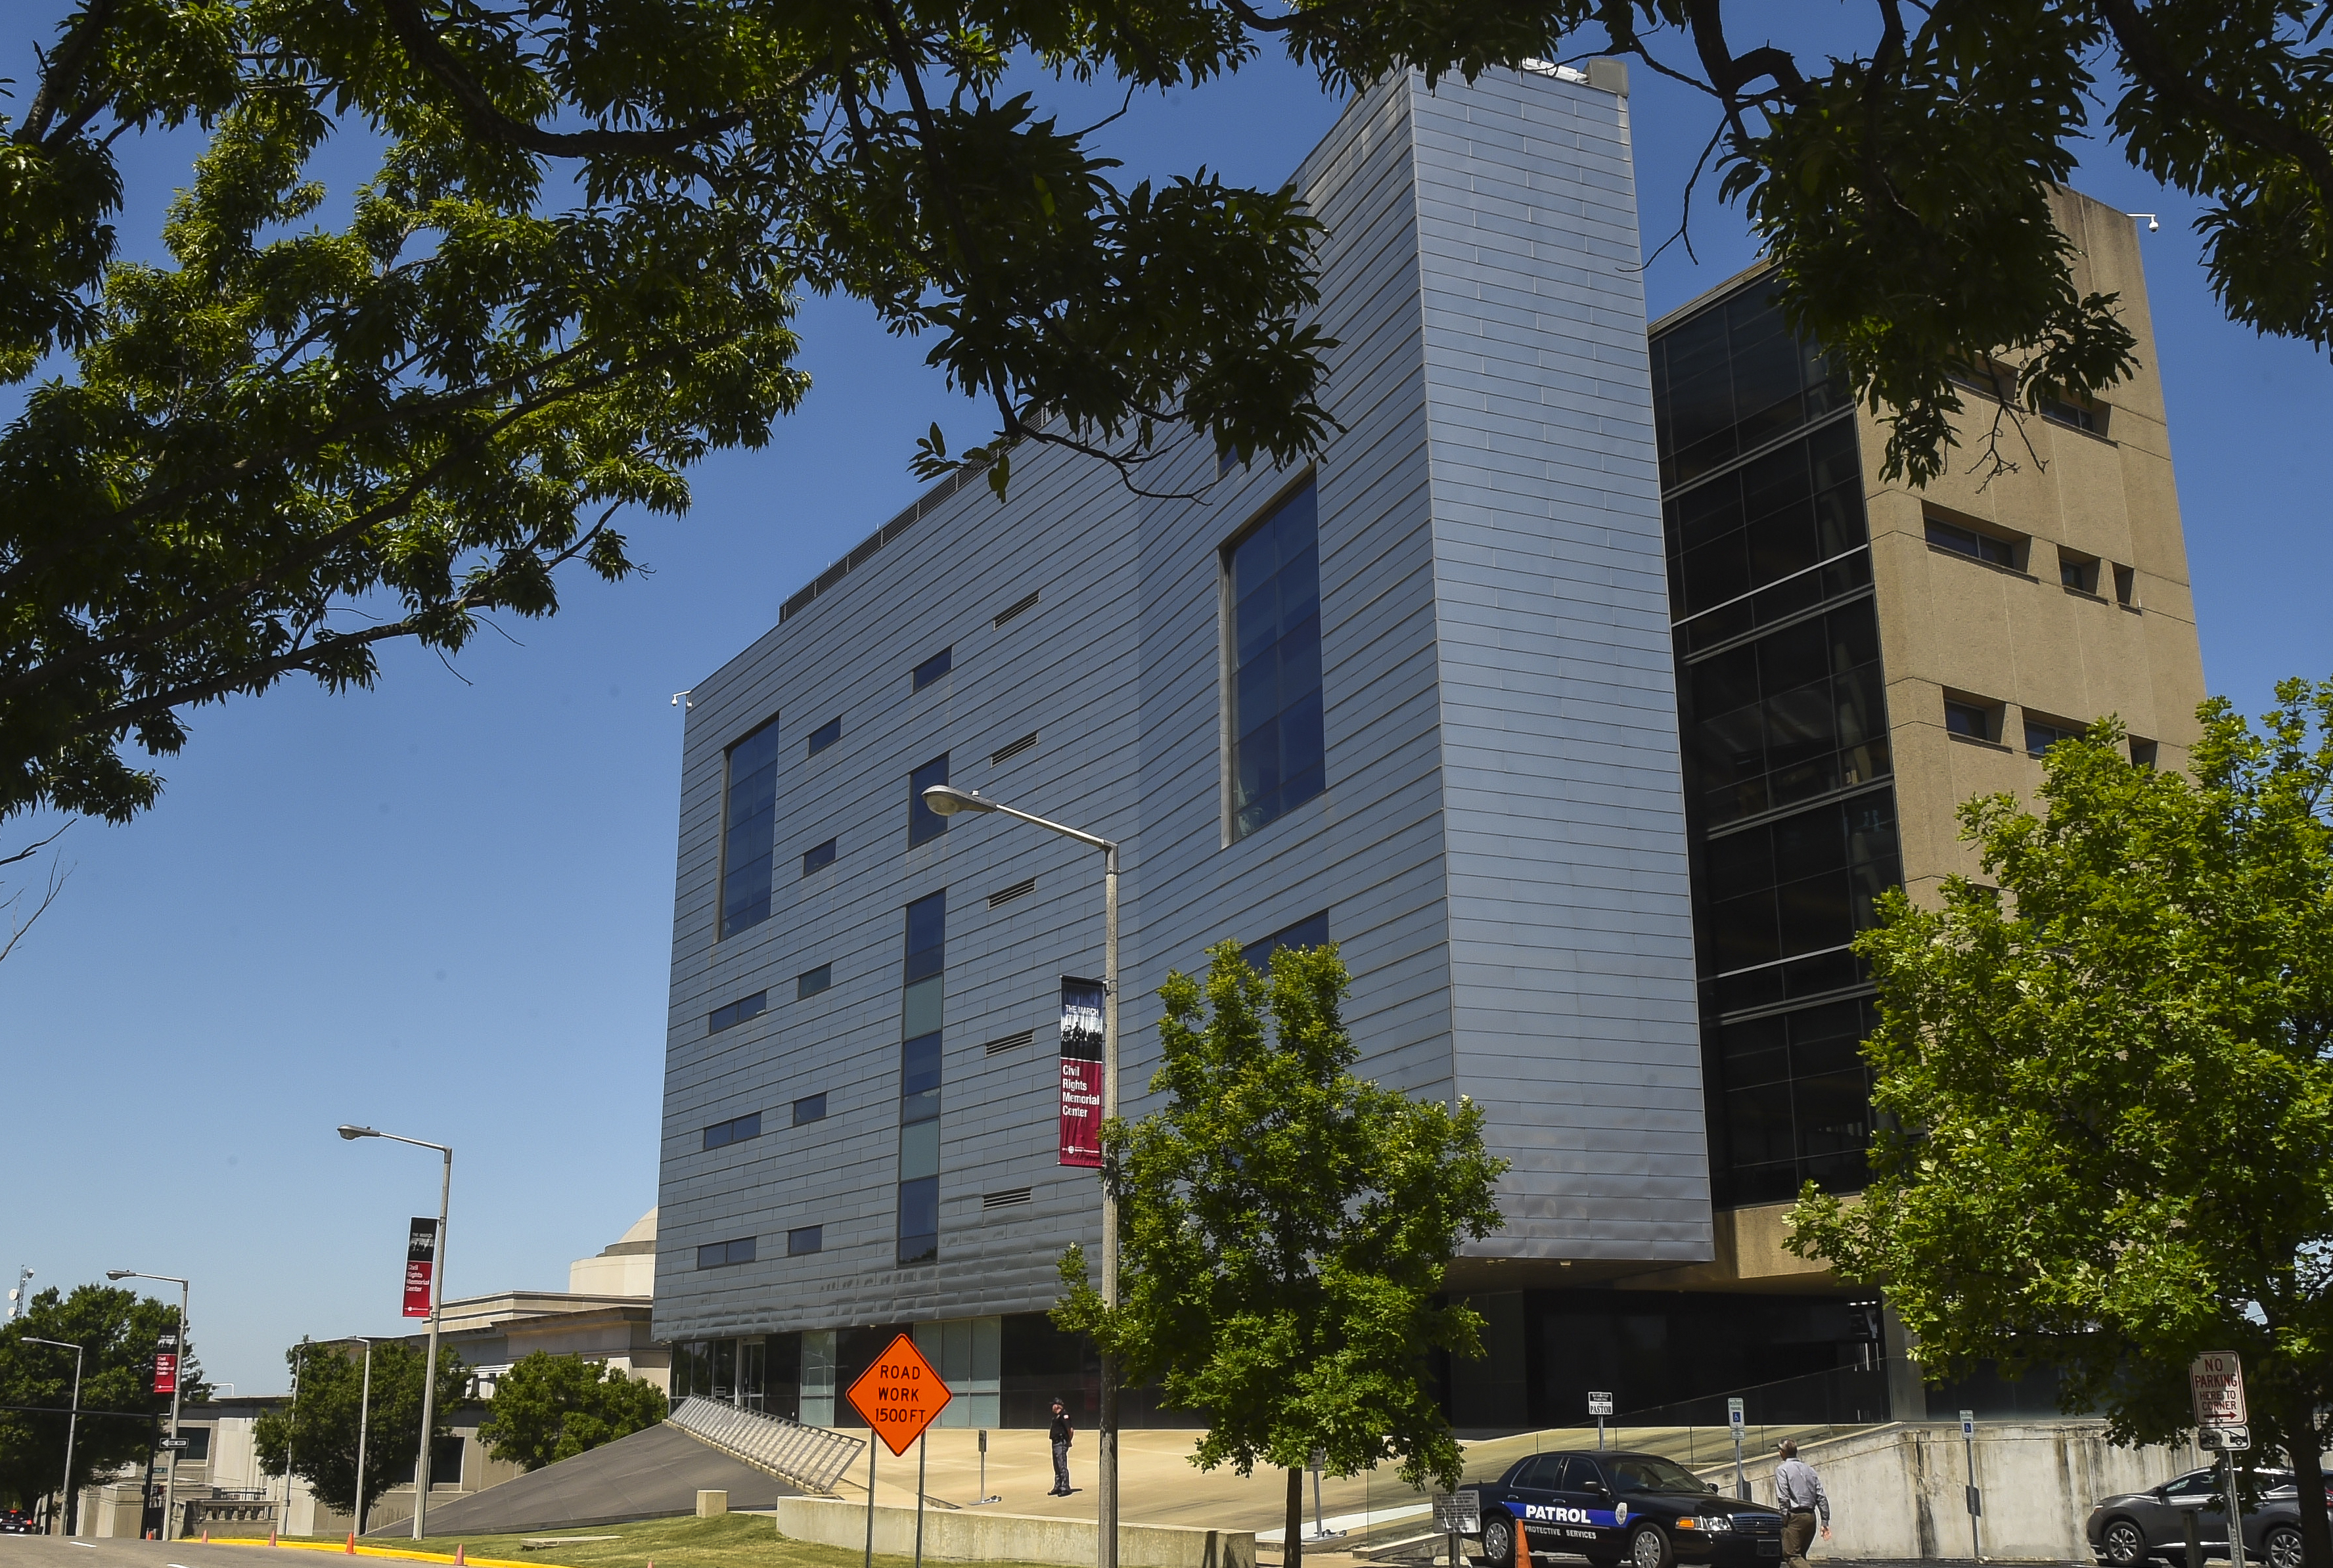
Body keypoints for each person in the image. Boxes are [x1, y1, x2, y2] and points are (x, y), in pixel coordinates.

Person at [1773, 1440, 1831, 1568]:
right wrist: (1825, 1520)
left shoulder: (1782, 1470)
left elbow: (1783, 1497)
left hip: (1795, 1517)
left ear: (1782, 1453)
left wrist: (1784, 1517)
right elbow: (1821, 1496)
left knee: (1792, 1555)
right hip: (1811, 1517)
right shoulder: (1809, 1470)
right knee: (1801, 1556)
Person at [1049, 1398, 1075, 1496]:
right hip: (1055, 1443)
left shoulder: (1064, 1415)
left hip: (1061, 1443)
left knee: (1062, 1466)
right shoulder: (1056, 1417)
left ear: (1057, 1406)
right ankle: (1058, 1486)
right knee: (1057, 1467)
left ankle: (1065, 1487)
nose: (1052, 1407)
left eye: (1053, 1405)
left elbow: (1070, 1430)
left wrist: (1069, 1441)